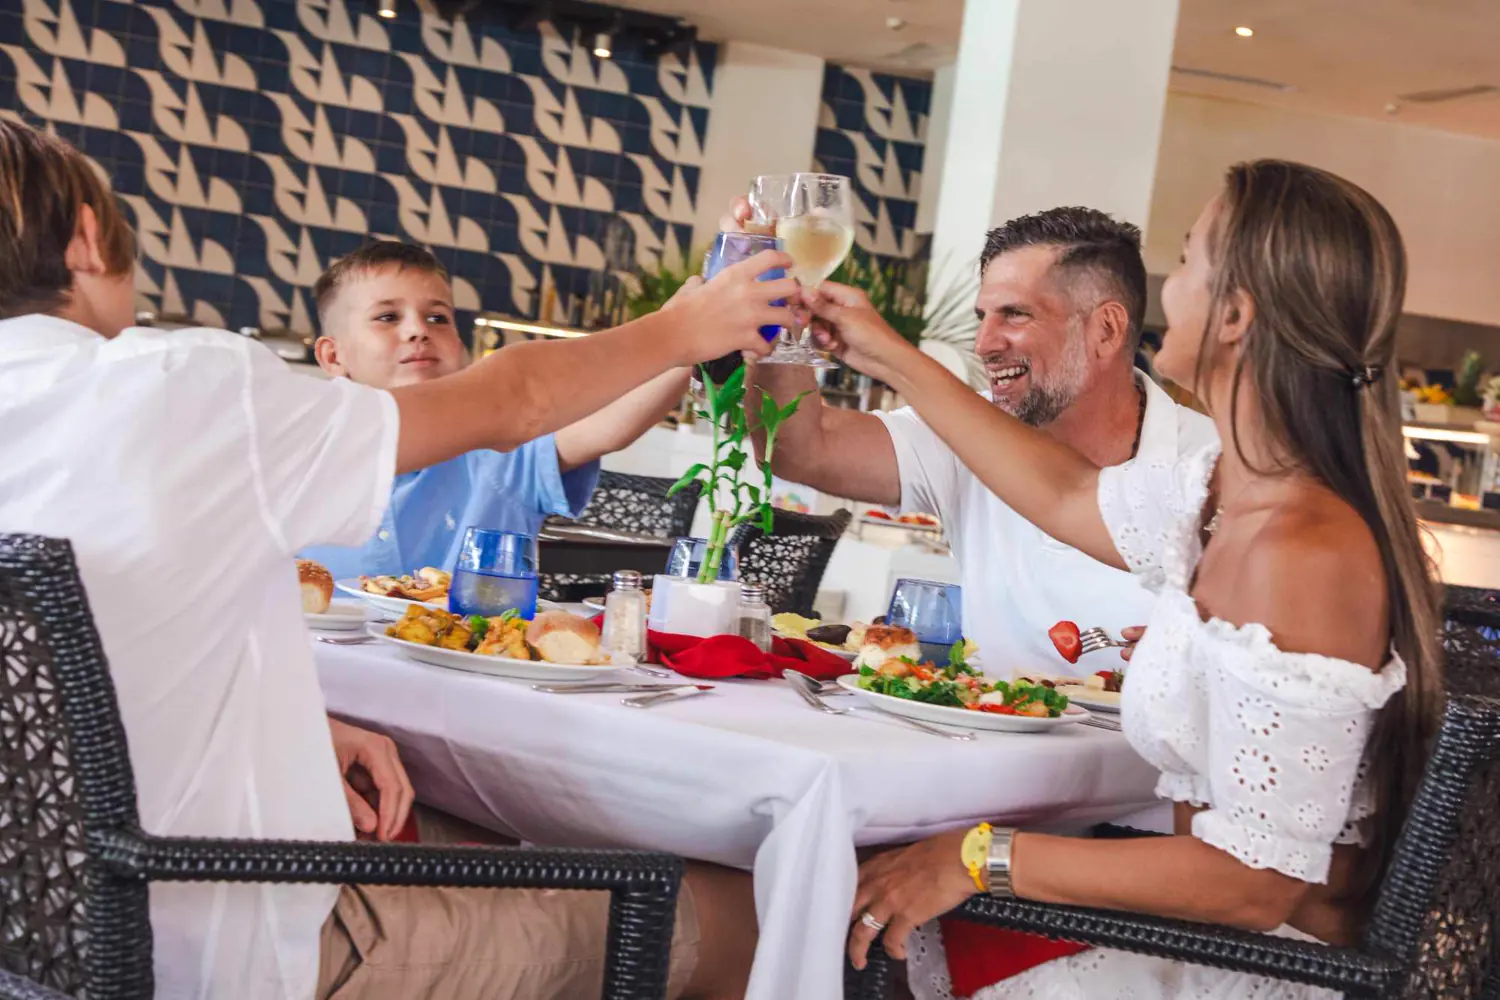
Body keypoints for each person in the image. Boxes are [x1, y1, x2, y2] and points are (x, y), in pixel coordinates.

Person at [0, 119, 788, 1000]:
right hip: (228, 939)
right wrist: (686, 326)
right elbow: (516, 393)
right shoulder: (173, 386)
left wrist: (310, 729)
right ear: (84, 237)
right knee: (747, 913)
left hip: (42, 931)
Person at [806, 160, 1440, 999]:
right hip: (1178, 926)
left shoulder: (1304, 548)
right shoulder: (1222, 492)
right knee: (831, 910)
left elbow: (1256, 885)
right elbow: (1064, 490)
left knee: (829, 935)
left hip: (1245, 965)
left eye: (1191, 261)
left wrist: (978, 858)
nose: (1168, 291)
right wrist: (890, 353)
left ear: (1238, 315)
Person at [736, 202, 1217, 673]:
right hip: (980, 738)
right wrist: (778, 314)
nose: (984, 344)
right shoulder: (965, 427)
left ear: (1107, 329)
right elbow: (801, 448)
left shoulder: (1212, 465)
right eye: (982, 316)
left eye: (1014, 314)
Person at [303, 241, 693, 579]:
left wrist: (694, 328)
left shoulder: (504, 439)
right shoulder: (299, 454)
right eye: (387, 317)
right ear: (333, 355)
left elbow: (611, 425)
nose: (418, 330)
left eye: (438, 318)